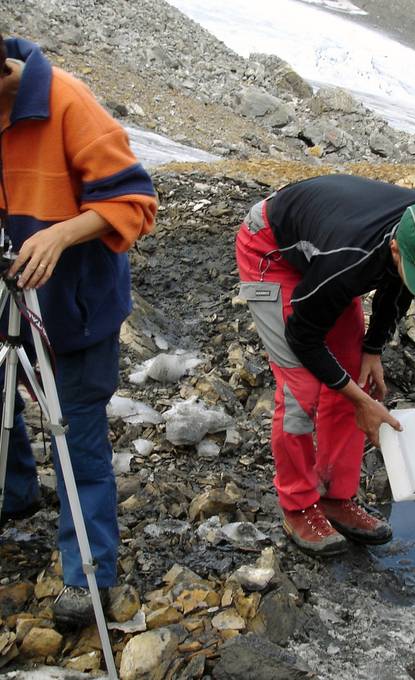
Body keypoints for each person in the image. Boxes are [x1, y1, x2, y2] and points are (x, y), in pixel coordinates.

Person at [0, 35, 157, 627]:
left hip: (77, 309)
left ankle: (86, 571)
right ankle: (15, 496)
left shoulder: (66, 102)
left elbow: (137, 201)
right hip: (7, 297)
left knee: (78, 438)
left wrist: (61, 233)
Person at [236, 174, 415, 556]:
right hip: (271, 250)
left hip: (326, 242)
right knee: (301, 389)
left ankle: (335, 497)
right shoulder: (347, 261)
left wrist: (372, 349)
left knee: (354, 376)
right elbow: (303, 337)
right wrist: (360, 400)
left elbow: (399, 287)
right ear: (395, 250)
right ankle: (297, 506)